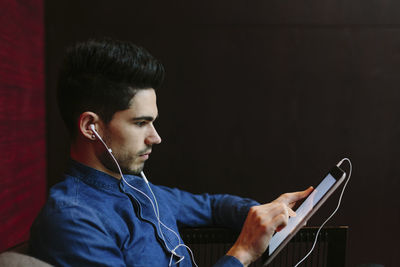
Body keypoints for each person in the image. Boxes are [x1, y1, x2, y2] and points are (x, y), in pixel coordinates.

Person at [29, 39, 312, 267]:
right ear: (91, 126)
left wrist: (268, 215)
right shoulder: (72, 221)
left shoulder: (136, 187)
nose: (156, 137)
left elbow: (212, 206)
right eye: (141, 123)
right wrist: (242, 254)